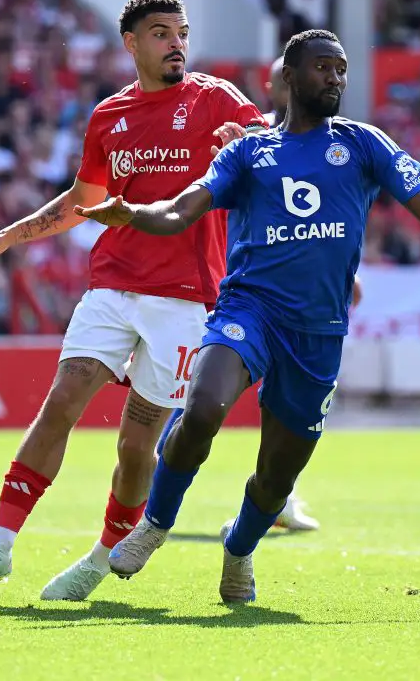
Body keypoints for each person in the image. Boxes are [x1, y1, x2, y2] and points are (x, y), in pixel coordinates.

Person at [76, 30, 420, 602]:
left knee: (276, 477)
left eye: (342, 68)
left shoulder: (365, 145)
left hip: (318, 333)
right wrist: (131, 212)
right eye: (323, 67)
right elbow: (182, 211)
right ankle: (154, 525)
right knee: (202, 408)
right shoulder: (248, 153)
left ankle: (239, 548)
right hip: (249, 309)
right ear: (289, 77)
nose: (336, 78)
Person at [0, 0, 268, 601]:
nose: (176, 43)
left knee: (136, 443)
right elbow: (82, 202)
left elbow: (275, 148)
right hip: (113, 286)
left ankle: (98, 560)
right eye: (161, 33)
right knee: (61, 402)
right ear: (131, 43)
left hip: (186, 300)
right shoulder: (108, 116)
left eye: (181, 32)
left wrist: (248, 146)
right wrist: (7, 237)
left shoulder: (215, 99)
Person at [153, 54, 331, 533]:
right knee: (207, 388)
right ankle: (165, 461)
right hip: (239, 286)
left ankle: (280, 496)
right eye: (283, 82)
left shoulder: (323, 139)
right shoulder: (249, 137)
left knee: (285, 403)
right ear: (276, 86)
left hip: (295, 296)